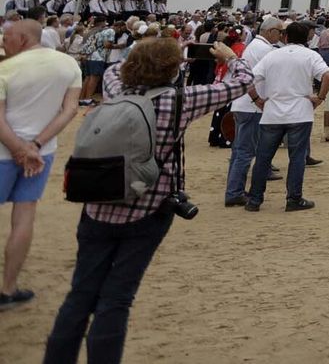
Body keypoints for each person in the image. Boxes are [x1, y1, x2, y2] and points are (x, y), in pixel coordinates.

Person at [42, 36, 248, 363]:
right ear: (173, 69)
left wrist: (150, 56)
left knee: (80, 294)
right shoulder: (179, 101)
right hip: (150, 205)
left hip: (100, 199)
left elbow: (115, 68)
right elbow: (244, 82)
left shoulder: (114, 87)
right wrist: (228, 57)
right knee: (117, 298)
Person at [0, 19, 82, 309]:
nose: (3, 42)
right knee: (24, 218)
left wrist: (20, 148)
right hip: (42, 152)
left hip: (4, 151)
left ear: (22, 39)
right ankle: (7, 289)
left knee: (24, 218)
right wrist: (34, 146)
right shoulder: (68, 65)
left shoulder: (5, 69)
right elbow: (70, 109)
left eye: (7, 37)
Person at [244, 20, 329, 213]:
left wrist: (257, 99)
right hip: (300, 111)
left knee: (263, 157)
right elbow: (328, 75)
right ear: (308, 37)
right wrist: (320, 98)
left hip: (273, 112)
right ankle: (293, 198)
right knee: (297, 158)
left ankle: (254, 199)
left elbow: (248, 79)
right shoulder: (310, 55)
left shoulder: (272, 55)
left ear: (285, 37)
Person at [223, 16, 284, 207]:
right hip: (251, 105)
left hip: (245, 104)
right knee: (245, 151)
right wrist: (258, 99)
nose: (281, 35)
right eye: (279, 31)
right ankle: (235, 192)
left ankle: (234, 189)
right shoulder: (264, 49)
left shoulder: (255, 47)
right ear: (271, 31)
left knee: (241, 150)